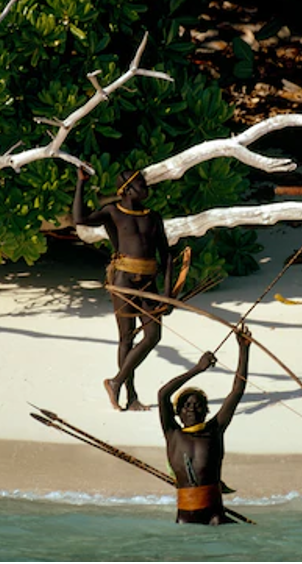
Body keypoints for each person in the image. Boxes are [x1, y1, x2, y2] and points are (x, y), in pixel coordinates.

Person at [74, 166, 174, 411]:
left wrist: (169, 293)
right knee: (126, 338)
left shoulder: (153, 217)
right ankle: (130, 396)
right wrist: (81, 184)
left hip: (149, 281)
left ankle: (116, 382)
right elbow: (80, 218)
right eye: (140, 183)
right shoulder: (113, 212)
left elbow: (166, 255)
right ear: (127, 189)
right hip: (124, 281)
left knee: (153, 336)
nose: (146, 187)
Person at [157, 330, 251, 525]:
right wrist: (198, 368)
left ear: (206, 410)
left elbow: (237, 391)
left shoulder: (214, 430)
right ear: (178, 412)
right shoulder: (172, 433)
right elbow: (163, 394)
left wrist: (244, 349)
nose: (192, 408)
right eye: (186, 405)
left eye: (197, 404)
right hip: (184, 517)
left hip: (215, 516)